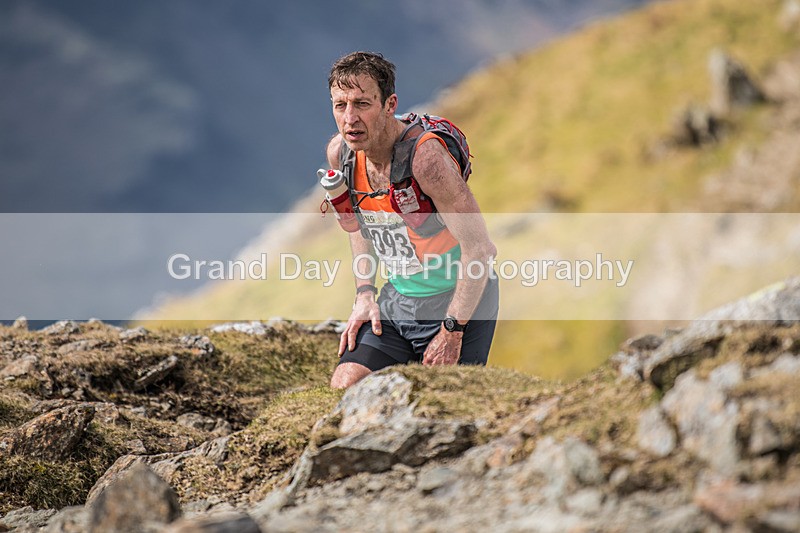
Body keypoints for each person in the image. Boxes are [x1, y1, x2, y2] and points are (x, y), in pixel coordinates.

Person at [325, 51, 498, 389]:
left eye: (362, 104)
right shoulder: (342, 154)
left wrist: (452, 330)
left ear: (390, 104)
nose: (350, 119)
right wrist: (364, 294)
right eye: (340, 105)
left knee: (443, 405)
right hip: (398, 300)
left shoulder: (426, 160)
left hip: (457, 303)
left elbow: (480, 249)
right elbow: (359, 224)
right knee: (344, 386)